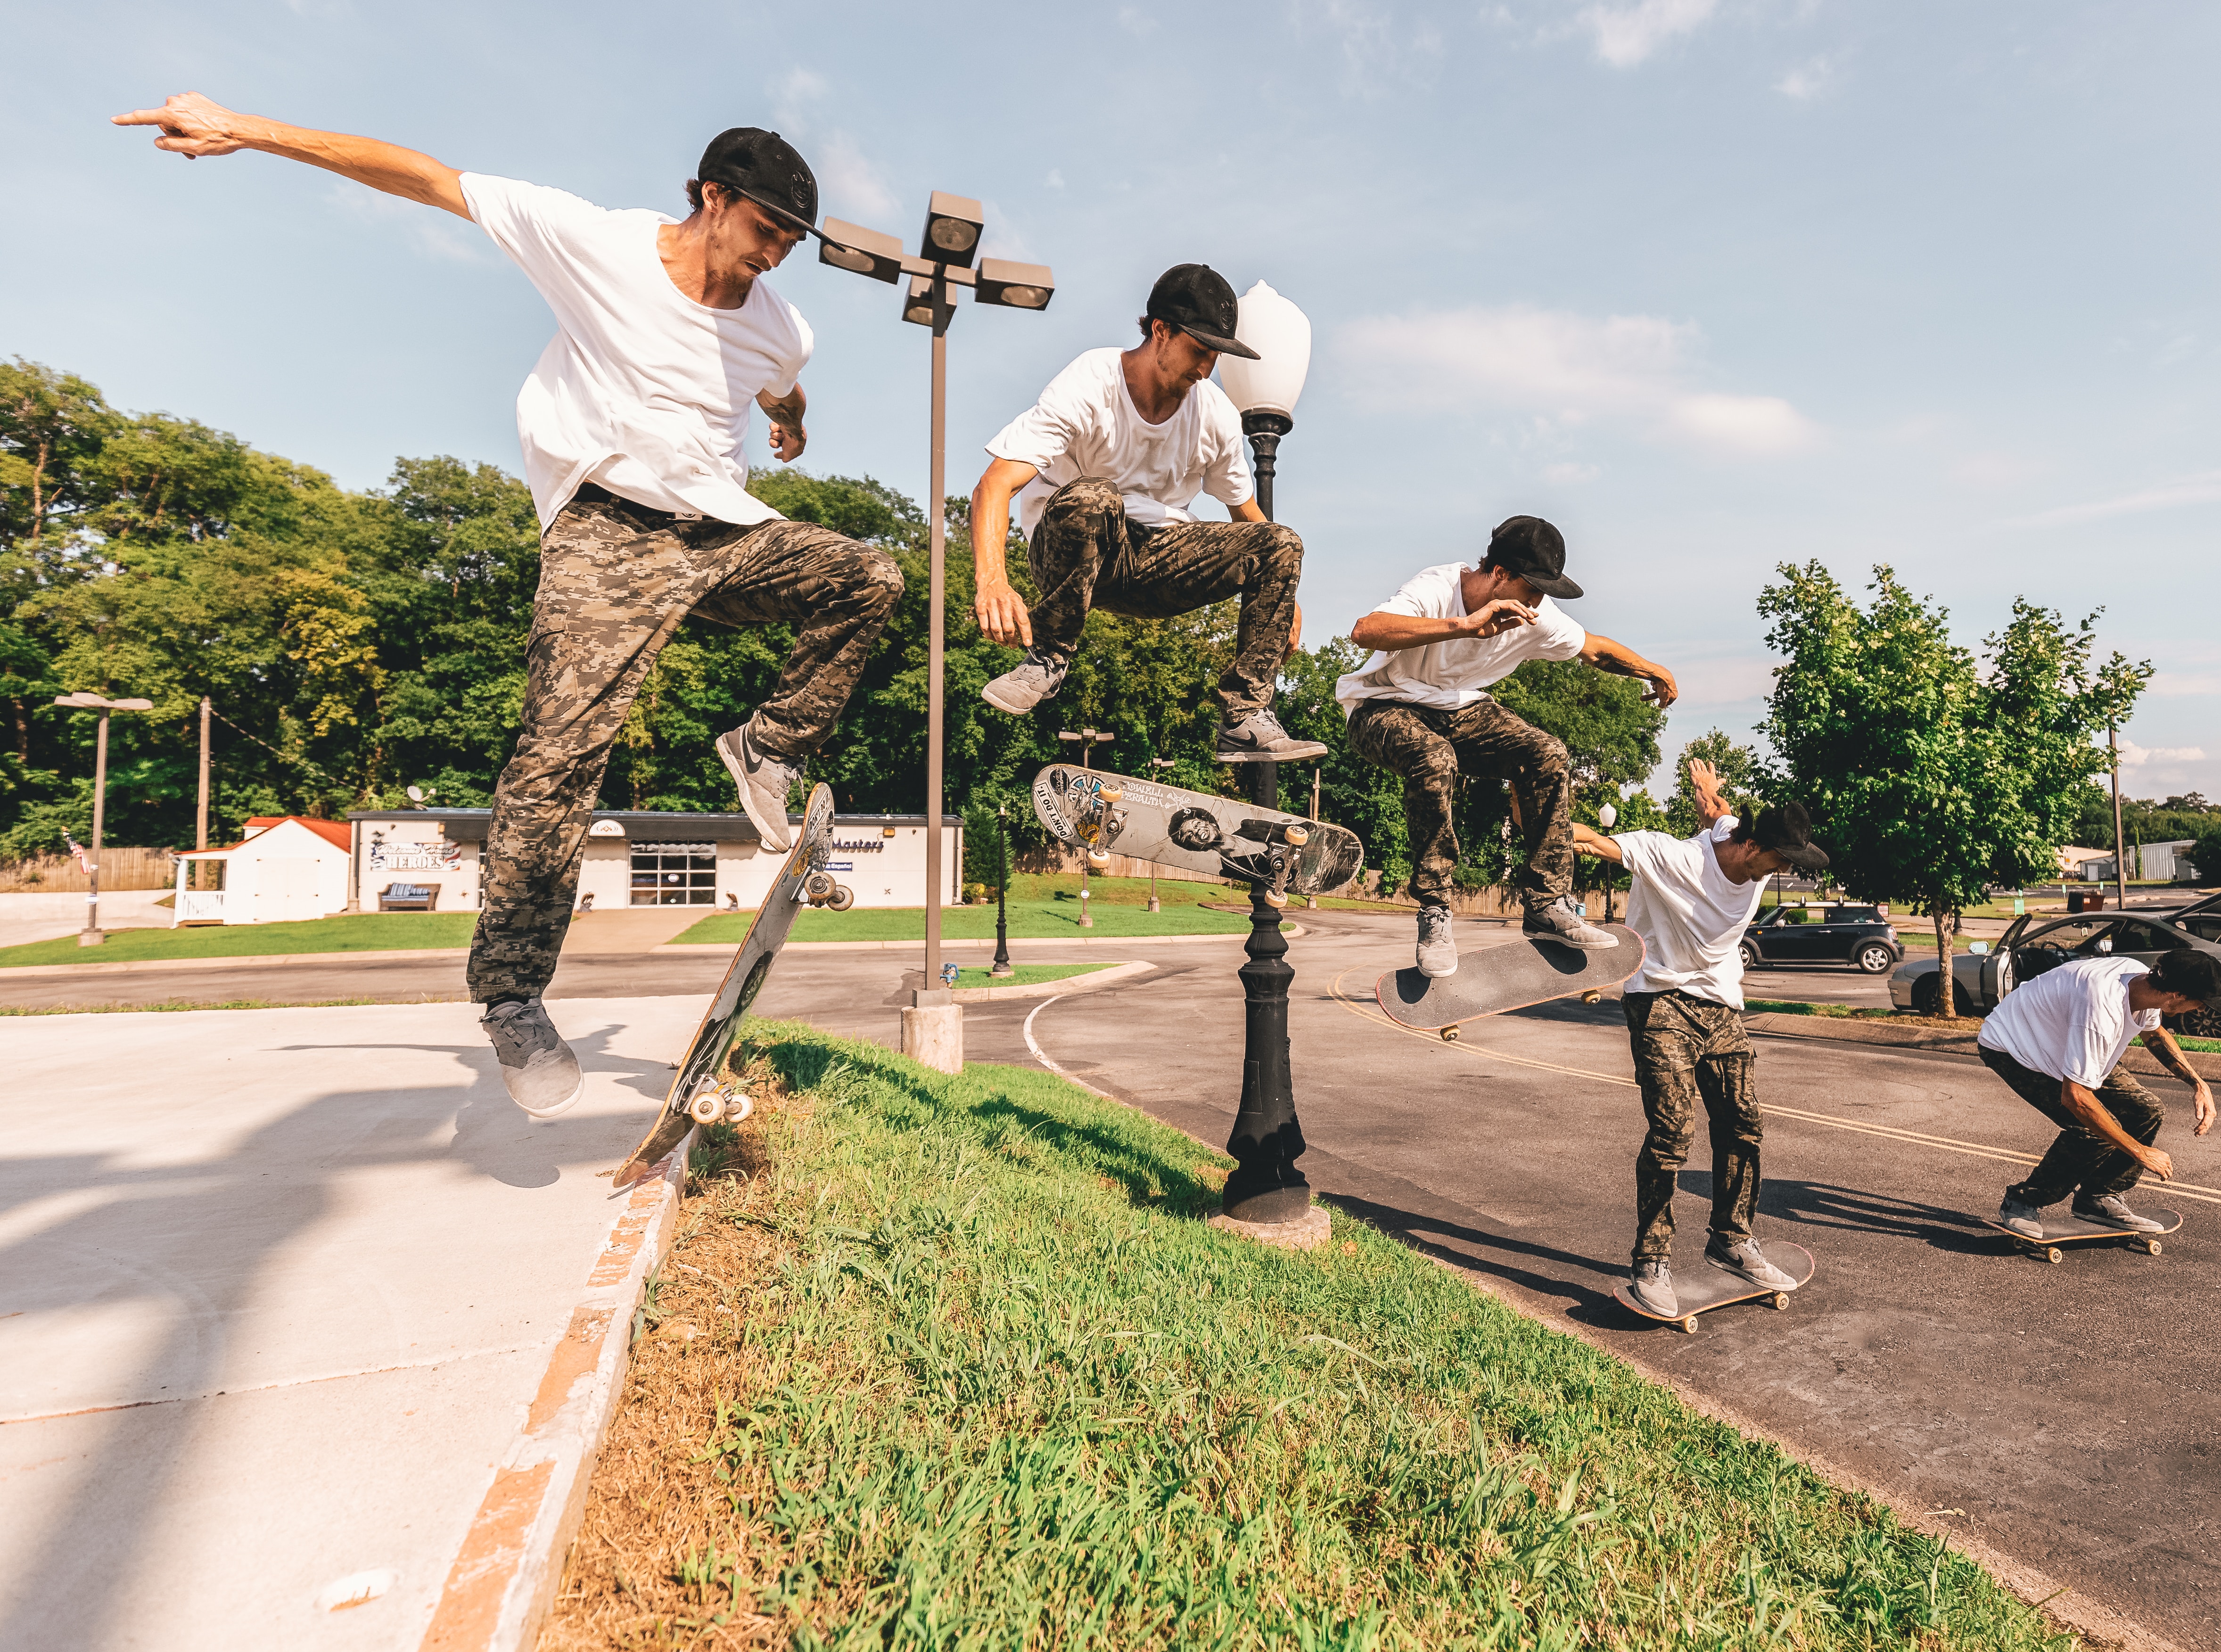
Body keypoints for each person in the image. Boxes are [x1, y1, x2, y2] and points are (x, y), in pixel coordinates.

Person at [115, 95, 903, 1115]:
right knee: (558, 758)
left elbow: (782, 385)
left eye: (794, 241)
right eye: (765, 231)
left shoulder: (781, 324)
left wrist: (791, 424)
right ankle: (514, 995)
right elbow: (427, 176)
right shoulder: (592, 242)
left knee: (868, 576)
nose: (776, 257)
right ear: (712, 197)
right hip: (603, 537)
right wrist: (251, 130)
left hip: (719, 533)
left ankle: (768, 747)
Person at [970, 264, 1322, 762]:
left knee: (1282, 543)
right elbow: (994, 484)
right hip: (1073, 555)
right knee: (1093, 497)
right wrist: (993, 582)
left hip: (1157, 564)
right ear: (1160, 331)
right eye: (1199, 351)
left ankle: (1244, 716)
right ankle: (1047, 658)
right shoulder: (1092, 381)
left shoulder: (1214, 414)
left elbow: (1251, 520)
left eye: (1215, 357)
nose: (1205, 369)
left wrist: (1285, 598)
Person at [1339, 516, 1678, 974]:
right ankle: (1435, 911)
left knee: (1546, 754)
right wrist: (1463, 626)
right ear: (1498, 573)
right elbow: (1366, 630)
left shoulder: (1536, 617)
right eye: (1530, 588)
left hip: (1458, 710)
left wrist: (1652, 670)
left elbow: (1594, 649)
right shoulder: (1439, 587)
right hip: (1380, 709)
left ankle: (1546, 904)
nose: (1535, 603)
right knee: (1434, 757)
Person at [1572, 759, 1831, 1318]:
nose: (1780, 872)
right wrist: (1545, 820)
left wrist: (1707, 790)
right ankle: (1651, 1260)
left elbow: (1716, 813)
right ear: (1752, 844)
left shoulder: (1736, 835)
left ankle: (1731, 1240)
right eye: (1779, 861)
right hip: (1659, 1001)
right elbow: (1594, 842)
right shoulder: (1676, 857)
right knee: (1672, 1130)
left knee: (1744, 1124)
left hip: (1720, 1007)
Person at [1973, 947, 2221, 1239]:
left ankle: (2098, 1196)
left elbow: (2153, 1033)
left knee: (2146, 1109)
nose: (2201, 1010)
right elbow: (2076, 1098)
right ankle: (2023, 1200)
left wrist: (2199, 1084)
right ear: (2178, 995)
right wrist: (2139, 1151)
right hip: (2014, 1044)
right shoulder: (2102, 1008)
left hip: (2061, 1040)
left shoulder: (2145, 984)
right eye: (2201, 1003)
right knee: (2091, 1128)